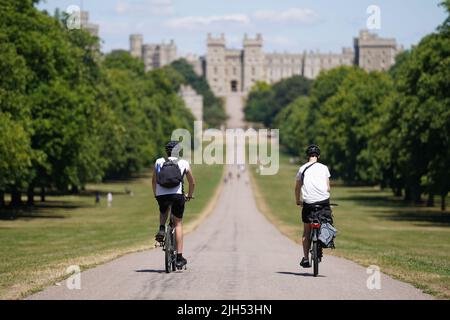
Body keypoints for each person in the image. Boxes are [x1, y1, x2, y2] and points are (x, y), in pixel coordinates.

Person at [152, 140, 195, 269]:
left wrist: (156, 195)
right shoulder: (183, 163)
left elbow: (154, 181)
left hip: (162, 195)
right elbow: (192, 182)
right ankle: (179, 258)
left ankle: (161, 228)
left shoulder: (159, 161)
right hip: (177, 195)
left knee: (163, 209)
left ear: (167, 151)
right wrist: (189, 194)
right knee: (178, 223)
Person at [294, 144, 331, 268]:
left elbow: (297, 187)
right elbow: (328, 187)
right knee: (325, 223)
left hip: (308, 203)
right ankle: (321, 242)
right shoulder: (324, 168)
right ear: (318, 156)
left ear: (307, 156)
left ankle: (305, 258)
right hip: (323, 202)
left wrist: (298, 201)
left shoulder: (302, 168)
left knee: (306, 231)